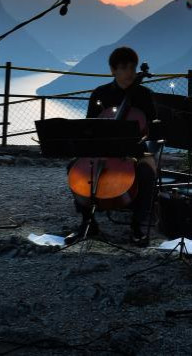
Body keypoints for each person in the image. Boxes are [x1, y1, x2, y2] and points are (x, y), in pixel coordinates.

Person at [67, 47, 158, 246]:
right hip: (102, 150)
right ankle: (88, 222)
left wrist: (146, 141)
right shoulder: (100, 94)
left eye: (132, 67)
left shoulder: (145, 95)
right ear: (113, 70)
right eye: (124, 68)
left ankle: (138, 226)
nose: (130, 72)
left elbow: (155, 128)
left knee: (147, 172)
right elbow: (89, 127)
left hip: (135, 150)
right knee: (74, 166)